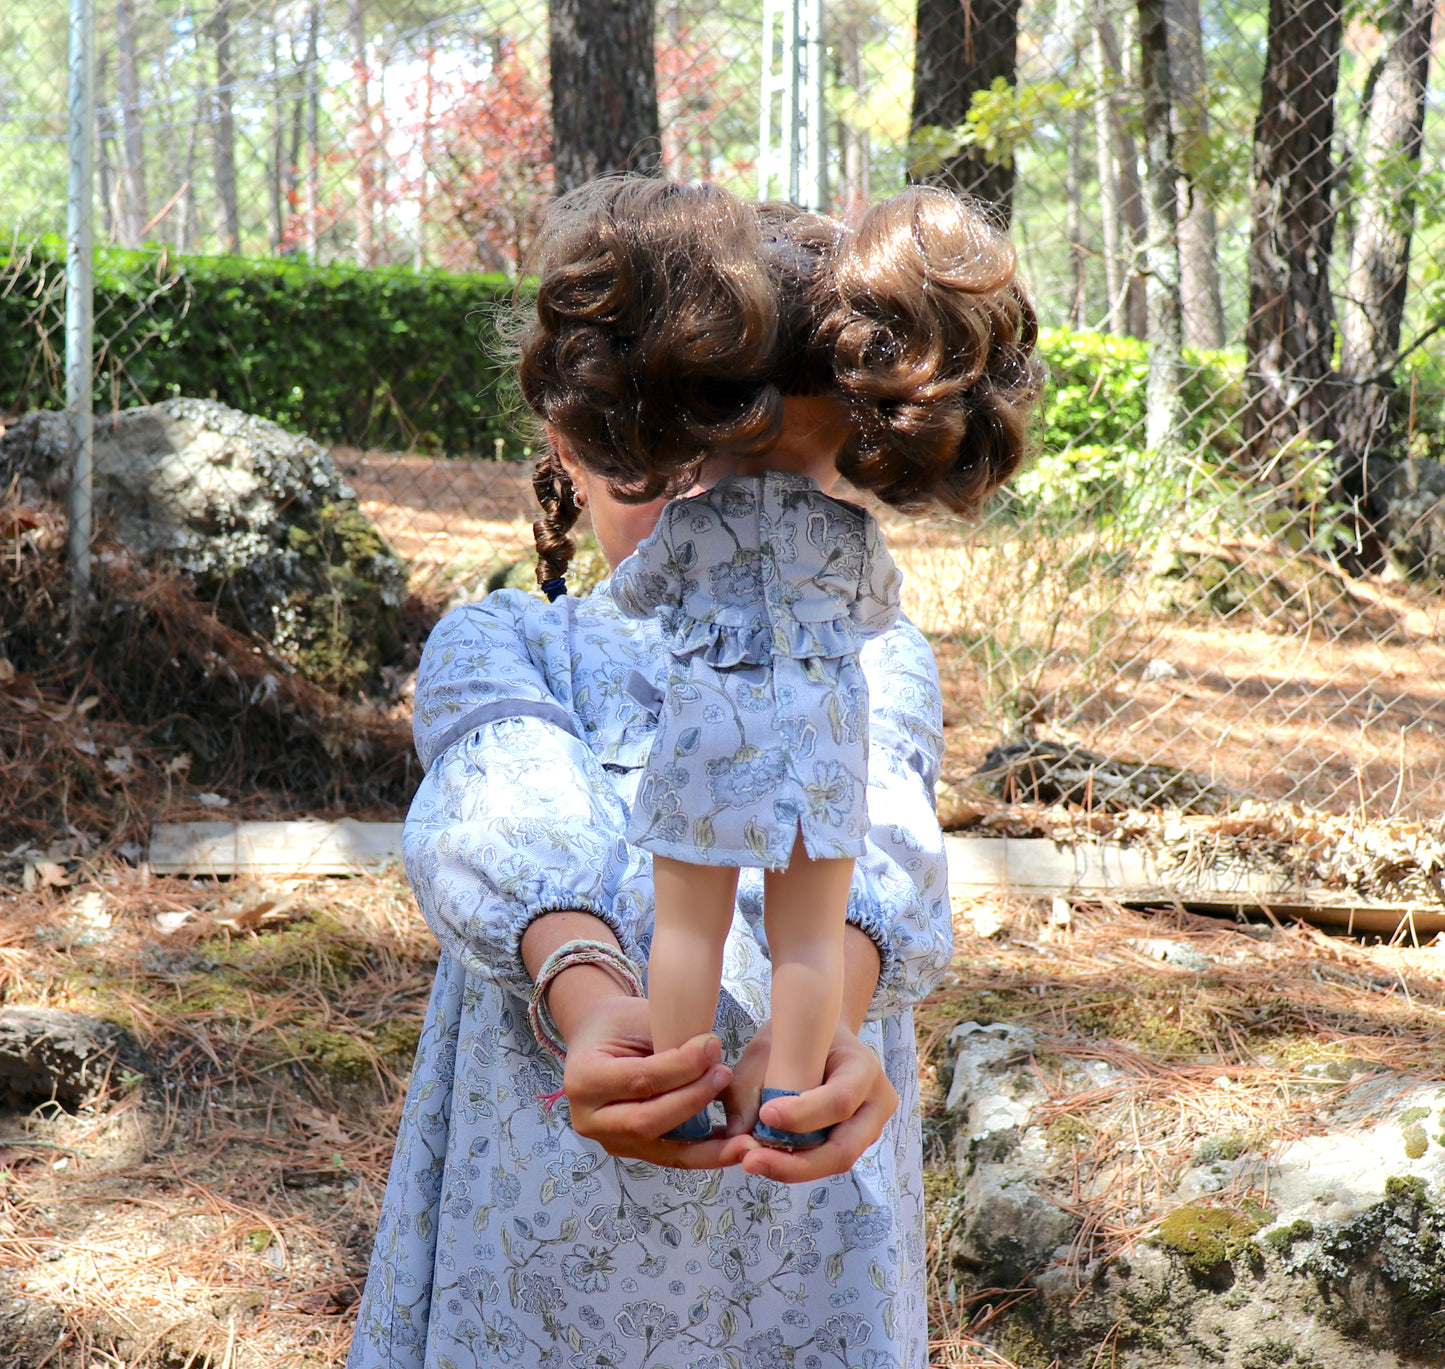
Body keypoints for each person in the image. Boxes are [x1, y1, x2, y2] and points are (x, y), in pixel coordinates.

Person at [347, 177, 1042, 1369]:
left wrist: (825, 1020)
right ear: (570, 444)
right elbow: (502, 797)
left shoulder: (878, 654)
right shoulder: (509, 642)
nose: (721, 507)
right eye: (661, 464)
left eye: (782, 473)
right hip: (538, 1241)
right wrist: (589, 995)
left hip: (800, 1226)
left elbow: (877, 830)